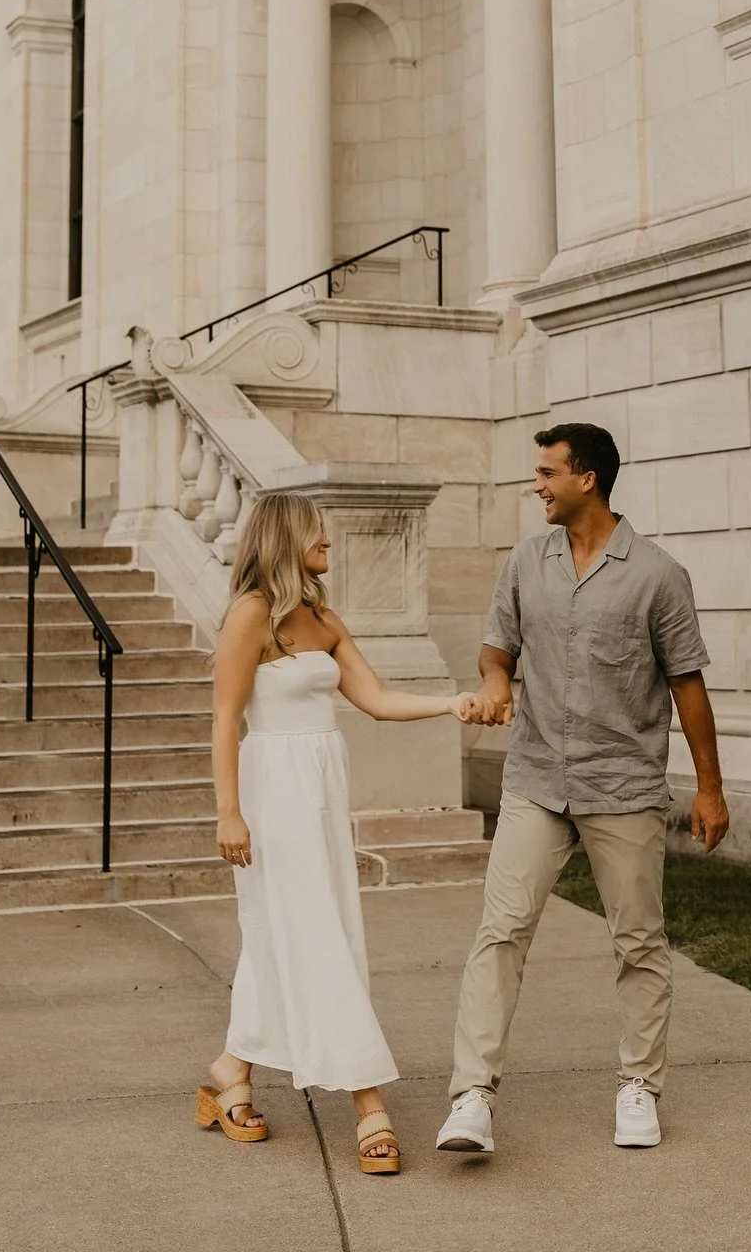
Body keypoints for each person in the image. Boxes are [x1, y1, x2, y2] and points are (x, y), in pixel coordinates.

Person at [437, 422, 729, 1156]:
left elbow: (688, 685)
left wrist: (710, 789)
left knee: (638, 941)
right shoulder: (524, 562)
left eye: (547, 473)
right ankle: (472, 1095)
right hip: (537, 778)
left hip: (622, 784)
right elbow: (497, 650)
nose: (536, 485)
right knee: (500, 931)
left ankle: (640, 1086)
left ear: (586, 479)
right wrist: (496, 683)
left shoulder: (658, 575)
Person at [197, 490, 489, 1176]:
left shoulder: (324, 619)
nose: (327, 540)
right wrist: (228, 811)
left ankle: (232, 1069)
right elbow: (224, 719)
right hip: (273, 794)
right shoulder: (250, 616)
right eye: (316, 532)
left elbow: (377, 700)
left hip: (322, 795)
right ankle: (367, 1101)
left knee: (283, 935)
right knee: (319, 936)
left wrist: (450, 703)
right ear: (284, 538)